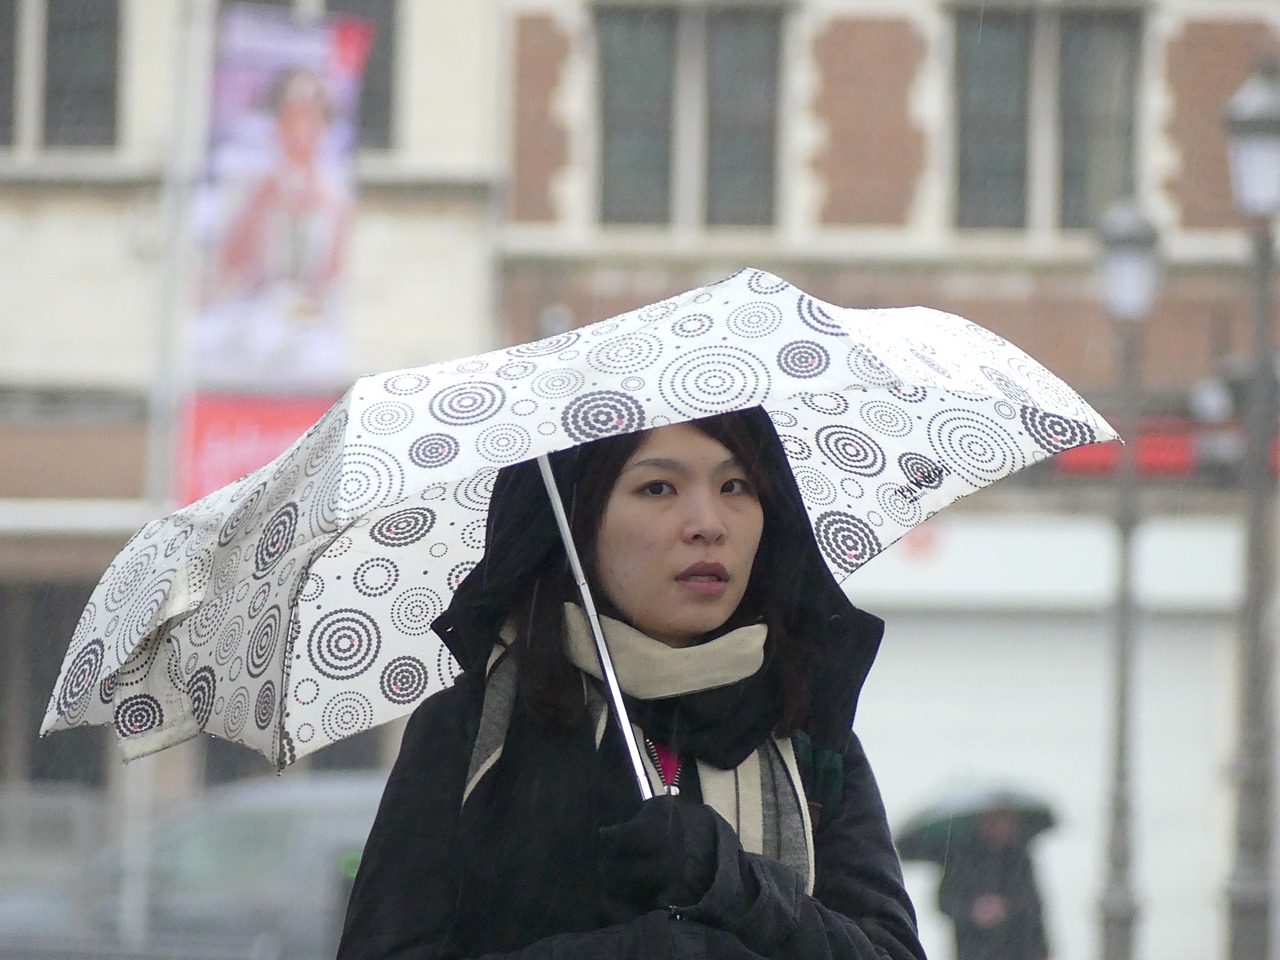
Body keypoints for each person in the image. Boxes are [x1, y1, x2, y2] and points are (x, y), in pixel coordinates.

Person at [336, 406, 927, 960]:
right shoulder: (473, 732)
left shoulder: (803, 733)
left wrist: (736, 886)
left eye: (736, 486)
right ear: (576, 520)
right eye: (658, 488)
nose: (708, 525)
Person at [936, 808, 1050, 960]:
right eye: (993, 821)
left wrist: (1005, 907)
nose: (1000, 828)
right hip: (974, 951)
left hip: (1020, 950)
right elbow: (945, 901)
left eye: (1005, 821)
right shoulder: (961, 859)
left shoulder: (1020, 858)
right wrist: (974, 909)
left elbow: (1031, 903)